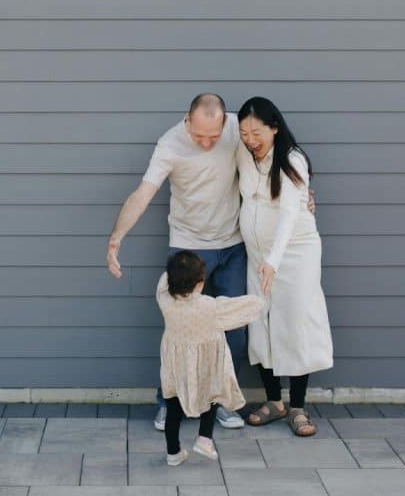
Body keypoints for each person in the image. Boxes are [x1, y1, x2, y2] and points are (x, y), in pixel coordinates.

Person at [107, 93, 249, 431]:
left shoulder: (236, 128)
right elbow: (144, 192)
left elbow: (270, 159)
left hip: (232, 245)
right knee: (181, 331)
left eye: (213, 137)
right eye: (199, 135)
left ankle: (222, 403)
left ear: (224, 123)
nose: (205, 142)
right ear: (187, 120)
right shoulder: (170, 143)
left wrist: (304, 196)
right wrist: (116, 238)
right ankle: (169, 403)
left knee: (235, 332)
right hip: (188, 248)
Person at [236, 96, 333, 437]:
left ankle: (298, 407)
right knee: (261, 323)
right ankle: (274, 401)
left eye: (258, 132)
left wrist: (273, 262)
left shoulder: (292, 160)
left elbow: (291, 214)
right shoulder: (244, 154)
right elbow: (220, 118)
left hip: (294, 254)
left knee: (294, 322)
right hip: (258, 255)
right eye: (244, 132)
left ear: (275, 128)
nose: (250, 139)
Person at [156, 250, 264, 465]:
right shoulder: (211, 307)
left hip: (175, 369)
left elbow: (163, 280)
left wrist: (174, 270)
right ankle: (204, 439)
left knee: (173, 411)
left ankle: (173, 453)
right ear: (200, 283)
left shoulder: (165, 300)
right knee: (212, 397)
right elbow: (243, 308)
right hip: (207, 366)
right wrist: (261, 297)